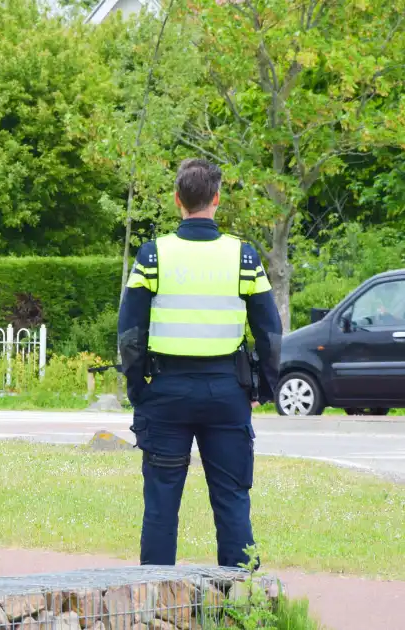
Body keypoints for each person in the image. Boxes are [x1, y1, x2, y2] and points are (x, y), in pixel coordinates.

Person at [117, 158, 282, 569]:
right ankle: (241, 604)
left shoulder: (153, 256)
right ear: (217, 199)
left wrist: (139, 389)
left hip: (166, 393)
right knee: (232, 500)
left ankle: (154, 605)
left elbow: (130, 334)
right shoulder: (243, 257)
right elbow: (271, 333)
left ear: (178, 200)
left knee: (160, 506)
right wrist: (263, 388)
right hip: (226, 392)